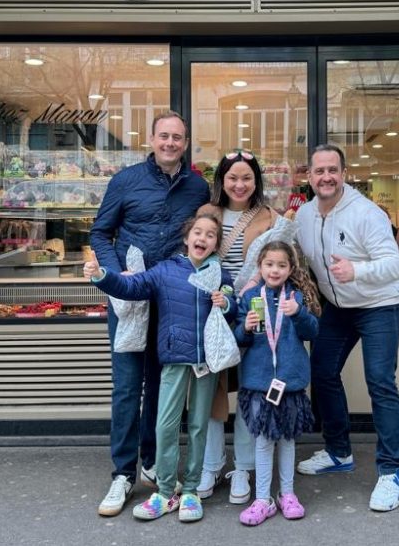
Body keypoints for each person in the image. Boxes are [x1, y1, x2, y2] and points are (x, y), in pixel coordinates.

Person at [88, 111, 210, 517]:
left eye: (178, 137)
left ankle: (152, 461)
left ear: (185, 142)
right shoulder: (125, 181)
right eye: (164, 136)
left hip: (172, 301)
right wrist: (112, 270)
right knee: (126, 386)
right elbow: (100, 232)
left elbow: (204, 237)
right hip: (129, 299)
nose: (170, 143)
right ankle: (122, 473)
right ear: (153, 139)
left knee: (162, 387)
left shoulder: (198, 187)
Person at [84, 213, 237, 523]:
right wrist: (102, 275)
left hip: (207, 362)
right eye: (198, 232)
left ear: (215, 245)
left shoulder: (220, 274)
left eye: (210, 235)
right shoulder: (165, 270)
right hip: (173, 360)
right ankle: (166, 493)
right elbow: (132, 287)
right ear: (186, 238)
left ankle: (191, 490)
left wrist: (228, 304)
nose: (203, 238)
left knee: (197, 427)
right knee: (165, 426)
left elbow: (235, 307)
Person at [293, 143, 399, 512]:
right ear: (308, 176)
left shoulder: (366, 213)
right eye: (319, 171)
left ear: (344, 174)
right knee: (322, 372)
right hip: (338, 308)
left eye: (333, 170)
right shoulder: (305, 215)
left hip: (378, 305)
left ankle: (392, 472)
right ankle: (339, 451)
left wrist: (356, 270)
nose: (326, 177)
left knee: (380, 381)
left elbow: (395, 265)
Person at [196, 150, 295, 505]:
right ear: (222, 180)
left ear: (257, 181)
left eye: (247, 178)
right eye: (232, 177)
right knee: (210, 393)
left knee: (251, 392)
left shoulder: (271, 218)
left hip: (253, 315)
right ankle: (210, 464)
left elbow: (283, 265)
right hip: (212, 313)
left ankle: (243, 467)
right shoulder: (207, 214)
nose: (239, 184)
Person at [234, 241, 320, 526]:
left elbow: (312, 332)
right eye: (269, 264)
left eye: (281, 265)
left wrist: (298, 313)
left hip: (290, 383)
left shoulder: (296, 297)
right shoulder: (249, 298)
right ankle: (262, 499)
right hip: (259, 384)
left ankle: (288, 494)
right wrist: (244, 328)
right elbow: (239, 339)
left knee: (287, 439)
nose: (275, 270)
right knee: (263, 441)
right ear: (260, 267)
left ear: (291, 268)